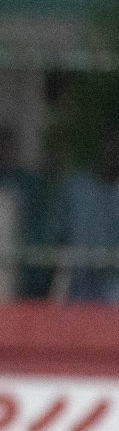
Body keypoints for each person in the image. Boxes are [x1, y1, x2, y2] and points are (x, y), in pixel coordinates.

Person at [48, 128, 119, 303]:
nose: (113, 152)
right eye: (111, 145)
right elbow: (56, 235)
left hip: (113, 286)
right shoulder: (76, 187)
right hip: (77, 284)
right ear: (101, 147)